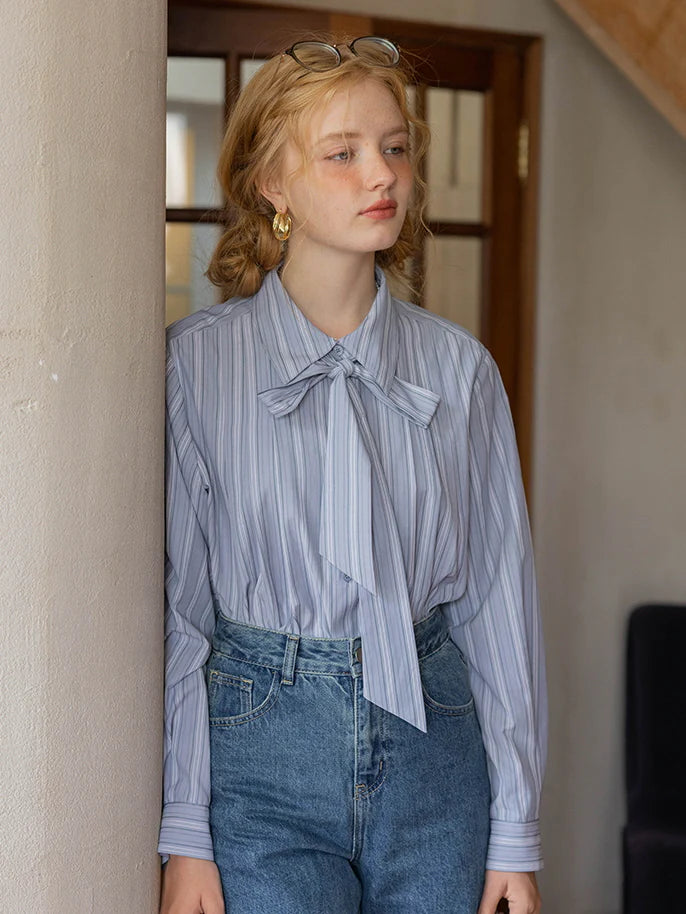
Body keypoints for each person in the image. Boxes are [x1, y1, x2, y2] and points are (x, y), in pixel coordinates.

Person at [158, 35, 547, 914]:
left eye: (396, 148)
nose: (383, 174)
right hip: (258, 760)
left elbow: (497, 606)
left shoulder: (461, 372)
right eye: (342, 154)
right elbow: (180, 617)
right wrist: (185, 833)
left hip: (437, 751)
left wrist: (515, 837)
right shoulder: (192, 370)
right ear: (272, 185)